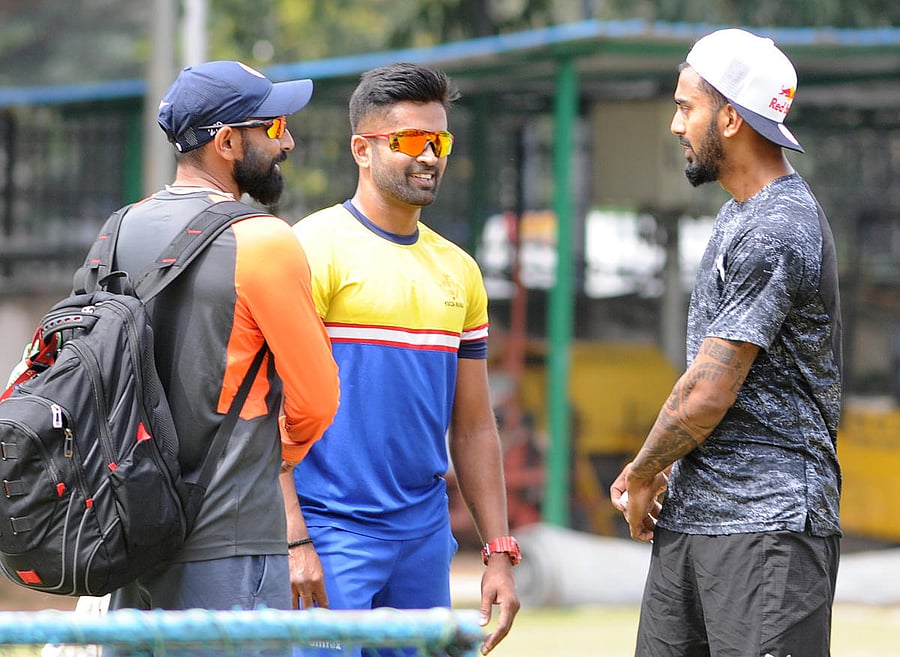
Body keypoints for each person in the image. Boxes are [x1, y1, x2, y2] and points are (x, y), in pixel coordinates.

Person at [609, 28, 843, 657]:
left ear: (732, 118)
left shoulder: (778, 226)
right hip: (694, 521)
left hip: (769, 529)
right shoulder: (739, 213)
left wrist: (642, 472)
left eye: (687, 106)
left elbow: (708, 391)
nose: (674, 124)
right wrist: (661, 477)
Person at [105, 61, 340, 653]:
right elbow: (317, 400)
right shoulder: (262, 240)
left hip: (129, 534)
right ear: (227, 141)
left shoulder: (117, 231)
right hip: (229, 542)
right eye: (275, 125)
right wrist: (267, 452)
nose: (287, 140)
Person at [287, 62, 520, 655]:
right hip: (329, 529)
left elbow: (471, 425)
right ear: (362, 150)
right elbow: (268, 407)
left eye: (440, 140)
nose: (432, 156)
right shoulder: (312, 249)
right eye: (412, 140)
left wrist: (497, 551)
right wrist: (294, 539)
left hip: (422, 535)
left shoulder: (461, 270)